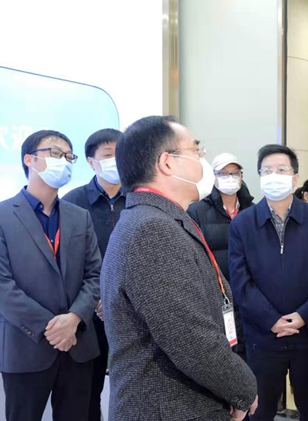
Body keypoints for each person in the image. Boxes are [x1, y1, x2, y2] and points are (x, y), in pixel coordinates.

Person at [100, 116, 257, 421]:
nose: (202, 161)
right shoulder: (152, 230)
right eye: (196, 152)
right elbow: (190, 339)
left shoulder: (158, 218)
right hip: (170, 408)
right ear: (167, 163)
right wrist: (244, 389)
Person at [228, 144, 308, 421]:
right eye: (267, 171)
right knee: (260, 411)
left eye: (281, 169)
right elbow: (241, 283)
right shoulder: (243, 224)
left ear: (295, 177)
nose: (274, 175)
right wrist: (271, 320)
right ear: (259, 177)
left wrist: (303, 316)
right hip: (262, 337)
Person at [0, 130, 102, 421]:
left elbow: (95, 274)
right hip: (26, 346)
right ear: (29, 160)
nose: (64, 161)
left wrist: (74, 318)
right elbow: (3, 285)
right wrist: (53, 328)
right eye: (56, 154)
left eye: (69, 157)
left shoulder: (79, 216)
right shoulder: (3, 215)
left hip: (78, 344)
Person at [62, 128, 125, 421]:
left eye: (120, 154)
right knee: (88, 391)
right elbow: (69, 262)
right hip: (89, 315)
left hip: (130, 312)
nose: (116, 161)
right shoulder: (73, 202)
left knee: (132, 387)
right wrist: (96, 299)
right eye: (108, 155)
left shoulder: (138, 198)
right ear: (91, 162)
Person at [187, 152, 254, 362]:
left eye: (235, 173)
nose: (230, 178)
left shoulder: (252, 211)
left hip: (249, 294)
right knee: (223, 355)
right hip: (216, 296)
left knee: (250, 355)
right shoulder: (197, 211)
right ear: (213, 176)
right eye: (223, 173)